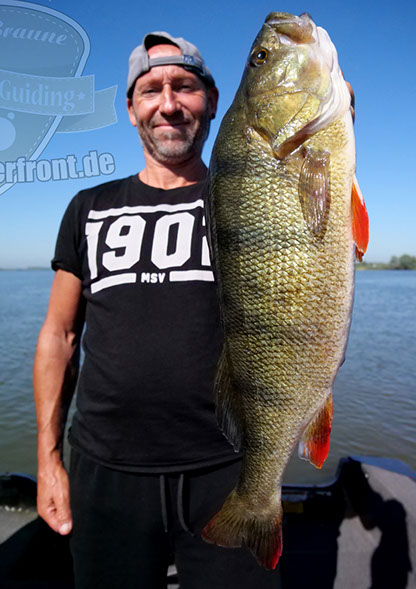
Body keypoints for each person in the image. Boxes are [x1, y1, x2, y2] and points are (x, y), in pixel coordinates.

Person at [33, 32, 285, 588]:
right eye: (151, 90)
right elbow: (59, 336)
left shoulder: (254, 198)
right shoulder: (88, 207)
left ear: (213, 101)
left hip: (229, 465)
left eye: (185, 86)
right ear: (131, 109)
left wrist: (330, 113)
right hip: (105, 470)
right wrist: (48, 459)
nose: (168, 104)